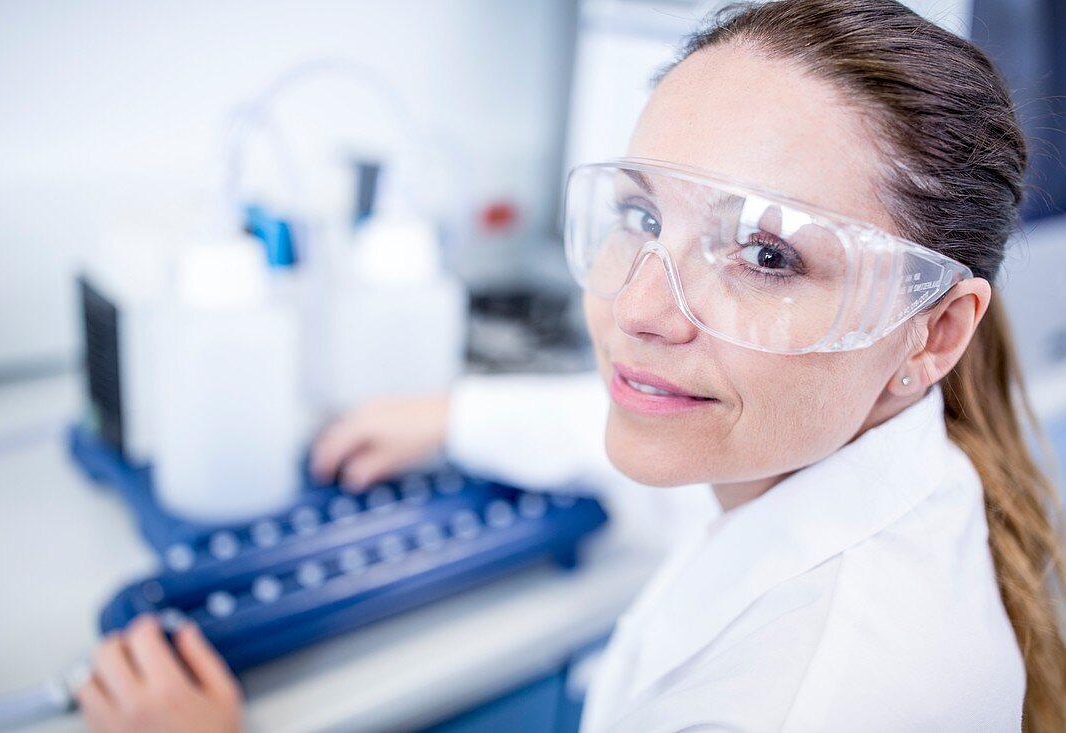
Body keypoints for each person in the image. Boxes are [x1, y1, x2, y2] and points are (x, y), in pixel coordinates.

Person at [77, 0, 1066, 731]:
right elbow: (647, 428)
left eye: (765, 256)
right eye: (641, 216)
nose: (635, 309)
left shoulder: (816, 699)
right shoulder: (845, 448)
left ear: (932, 332)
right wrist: (453, 414)